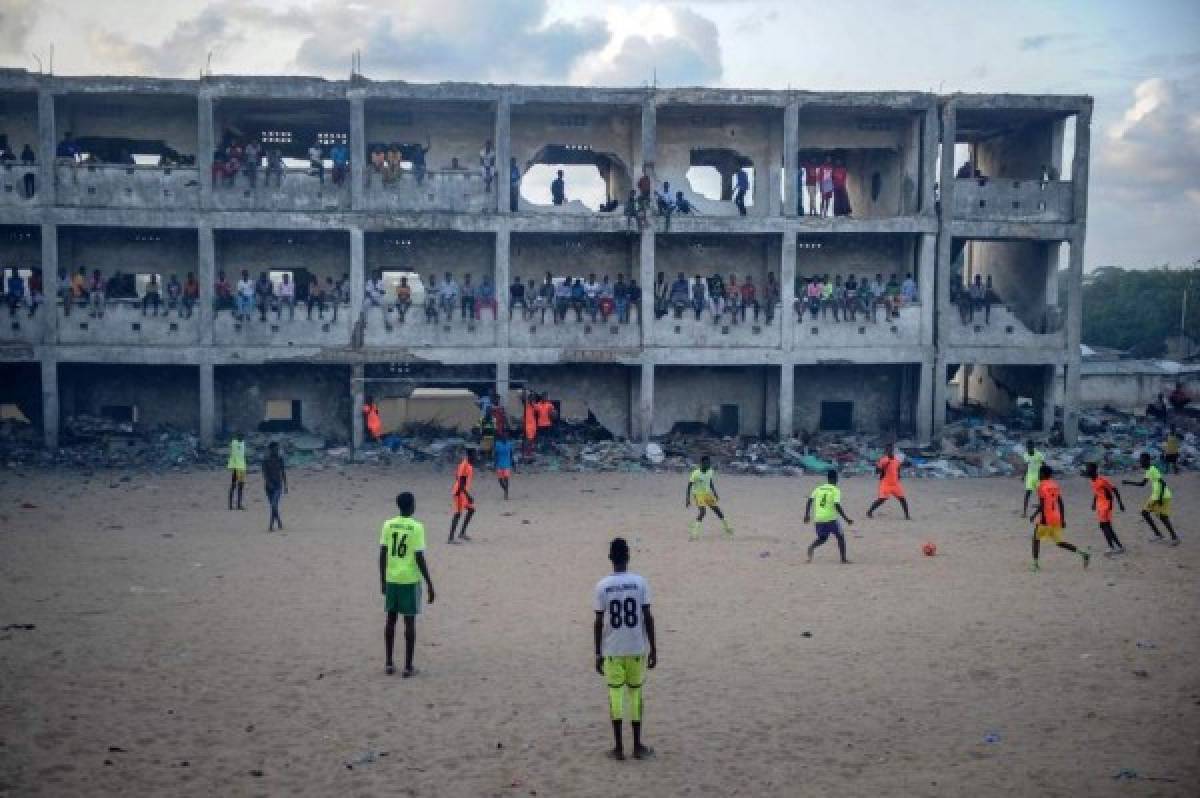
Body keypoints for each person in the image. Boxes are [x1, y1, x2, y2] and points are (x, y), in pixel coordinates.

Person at [592, 537, 657, 762]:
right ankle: (637, 746)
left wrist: (597, 652)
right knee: (636, 694)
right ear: (628, 556)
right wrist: (654, 648)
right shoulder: (640, 582)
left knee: (615, 695)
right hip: (637, 647)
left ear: (610, 558)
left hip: (612, 648)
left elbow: (599, 622)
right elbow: (648, 617)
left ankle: (619, 748)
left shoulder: (602, 585)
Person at [379, 492, 436, 677]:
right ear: (411, 506)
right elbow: (419, 557)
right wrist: (429, 583)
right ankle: (408, 666)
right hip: (409, 579)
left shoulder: (388, 524)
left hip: (392, 578)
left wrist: (382, 579)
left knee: (390, 620)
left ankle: (388, 662)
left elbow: (382, 554)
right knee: (409, 622)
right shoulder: (417, 527)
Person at [1029, 465, 1091, 572]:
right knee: (1059, 543)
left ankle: (1035, 565)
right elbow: (1060, 503)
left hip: (1046, 518)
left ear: (1043, 474)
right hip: (1056, 517)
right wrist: (1062, 519)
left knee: (1035, 540)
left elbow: (1042, 504)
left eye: (1040, 473)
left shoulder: (1041, 486)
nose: (1039, 475)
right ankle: (1083, 553)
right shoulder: (1055, 485)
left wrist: (1034, 515)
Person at [1123, 452, 1180, 545]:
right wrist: (1128, 482)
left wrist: (1160, 498)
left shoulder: (1153, 469)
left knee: (1152, 514)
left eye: (1142, 461)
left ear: (1148, 461)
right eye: (1140, 461)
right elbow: (1142, 484)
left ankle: (1169, 536)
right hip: (1157, 495)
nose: (1141, 463)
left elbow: (1162, 483)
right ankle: (1164, 535)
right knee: (1156, 515)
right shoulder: (1148, 470)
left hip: (1160, 496)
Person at [804, 470, 854, 564]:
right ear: (836, 479)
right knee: (840, 537)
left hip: (818, 518)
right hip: (831, 519)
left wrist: (806, 515)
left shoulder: (818, 488)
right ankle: (843, 559)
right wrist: (846, 519)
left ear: (827, 478)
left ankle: (812, 547)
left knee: (823, 538)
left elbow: (810, 500)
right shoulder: (836, 490)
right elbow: (837, 505)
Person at [686, 455, 733, 539]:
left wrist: (715, 493)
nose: (709, 464)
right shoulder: (696, 474)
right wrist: (688, 499)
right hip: (698, 494)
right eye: (707, 463)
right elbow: (689, 486)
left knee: (717, 511)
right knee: (703, 512)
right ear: (701, 464)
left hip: (707, 494)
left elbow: (710, 481)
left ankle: (727, 528)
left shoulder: (710, 471)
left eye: (709, 463)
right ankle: (694, 533)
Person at [1085, 462, 1125, 556]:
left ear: (1094, 470)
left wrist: (1120, 504)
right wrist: (1094, 503)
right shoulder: (1093, 480)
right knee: (1105, 526)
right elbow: (1097, 492)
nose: (1087, 471)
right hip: (1100, 506)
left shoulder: (1102, 480)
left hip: (1106, 506)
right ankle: (1119, 546)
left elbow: (1114, 490)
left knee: (1104, 526)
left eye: (1088, 469)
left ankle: (1112, 547)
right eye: (1087, 469)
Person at [866, 443, 911, 520]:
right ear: (886, 451)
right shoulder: (883, 460)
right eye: (888, 449)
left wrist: (898, 475)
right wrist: (883, 466)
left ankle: (907, 515)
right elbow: (877, 471)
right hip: (885, 483)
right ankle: (869, 512)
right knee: (882, 499)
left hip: (895, 483)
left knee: (902, 499)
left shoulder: (896, 460)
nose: (890, 451)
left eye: (891, 449)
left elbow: (898, 468)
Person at [448, 448, 477, 543]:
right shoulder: (464, 465)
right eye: (474, 455)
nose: (476, 457)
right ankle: (451, 538)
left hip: (463, 492)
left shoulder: (468, 464)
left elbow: (457, 476)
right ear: (470, 455)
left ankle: (462, 533)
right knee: (457, 514)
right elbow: (460, 482)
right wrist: (468, 495)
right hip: (459, 492)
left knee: (471, 510)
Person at [263, 441, 288, 531]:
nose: (277, 450)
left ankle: (271, 526)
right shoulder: (266, 460)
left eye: (278, 449)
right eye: (275, 449)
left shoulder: (280, 459)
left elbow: (283, 472)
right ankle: (279, 522)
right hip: (269, 487)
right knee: (274, 506)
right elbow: (265, 474)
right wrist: (269, 483)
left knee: (273, 505)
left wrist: (285, 485)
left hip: (278, 486)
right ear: (270, 450)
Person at [1020, 440, 1045, 518]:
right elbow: (1026, 466)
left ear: (1033, 447)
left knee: (1041, 494)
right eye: (1028, 447)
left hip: (1038, 476)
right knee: (1027, 493)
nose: (1029, 448)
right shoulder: (1025, 455)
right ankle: (1024, 512)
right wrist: (1024, 476)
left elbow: (1044, 465)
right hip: (1030, 476)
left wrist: (1045, 476)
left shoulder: (1039, 454)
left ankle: (1042, 509)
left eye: (1030, 447)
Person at [227, 432, 246, 511]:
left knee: (241, 486)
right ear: (237, 436)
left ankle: (239, 504)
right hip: (236, 467)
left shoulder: (243, 443)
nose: (241, 438)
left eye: (242, 436)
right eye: (240, 436)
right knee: (234, 485)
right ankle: (230, 505)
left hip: (242, 467)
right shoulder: (234, 443)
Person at [494, 432, 514, 500]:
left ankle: (506, 493)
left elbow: (511, 454)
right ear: (501, 438)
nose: (505, 438)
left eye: (506, 437)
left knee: (506, 479)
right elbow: (495, 454)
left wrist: (513, 463)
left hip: (507, 464)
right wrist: (495, 464)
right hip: (499, 464)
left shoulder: (509, 444)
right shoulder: (498, 444)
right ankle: (505, 490)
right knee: (500, 481)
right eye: (503, 437)